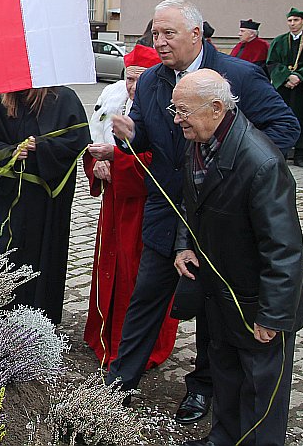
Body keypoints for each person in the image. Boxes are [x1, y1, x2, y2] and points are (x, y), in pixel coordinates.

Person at [90, 0, 299, 426]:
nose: (159, 42)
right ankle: (118, 385)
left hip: (218, 219)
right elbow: (152, 137)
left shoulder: (237, 75)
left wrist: (233, 167)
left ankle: (202, 390)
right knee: (146, 297)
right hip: (167, 213)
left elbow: (285, 128)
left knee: (212, 312)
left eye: (168, 34)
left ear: (196, 35)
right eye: (155, 34)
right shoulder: (150, 81)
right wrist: (131, 134)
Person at [172, 70, 303, 446]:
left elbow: (284, 248)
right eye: (174, 108)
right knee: (226, 378)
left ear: (216, 108)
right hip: (220, 293)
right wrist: (184, 243)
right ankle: (223, 439)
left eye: (183, 110)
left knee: (260, 394)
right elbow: (190, 202)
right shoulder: (200, 140)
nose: (176, 118)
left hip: (256, 301)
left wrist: (274, 315)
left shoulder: (261, 162)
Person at [83, 44, 178, 369]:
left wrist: (118, 162)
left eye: (140, 79)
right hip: (114, 201)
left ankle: (135, 344)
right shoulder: (115, 101)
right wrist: (96, 165)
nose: (133, 86)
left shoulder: (165, 108)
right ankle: (103, 332)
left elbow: (163, 161)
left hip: (146, 206)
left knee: (136, 274)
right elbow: (96, 145)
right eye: (129, 78)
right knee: (109, 264)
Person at [0, 87, 91, 324]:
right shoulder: (2, 101)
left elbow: (76, 142)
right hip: (9, 200)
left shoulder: (64, 99)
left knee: (43, 257)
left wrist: (39, 147)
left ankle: (39, 317)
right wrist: (12, 152)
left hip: (45, 204)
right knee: (4, 250)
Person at [266, 8, 303, 168]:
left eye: (296, 20)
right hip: (284, 88)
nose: (292, 24)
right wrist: (285, 77)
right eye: (290, 20)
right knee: (281, 119)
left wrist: (299, 77)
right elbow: (272, 63)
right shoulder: (279, 41)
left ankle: (300, 155)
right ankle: (281, 153)